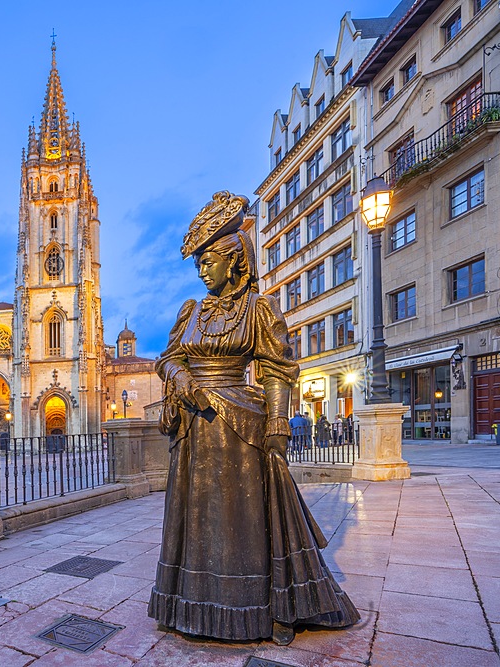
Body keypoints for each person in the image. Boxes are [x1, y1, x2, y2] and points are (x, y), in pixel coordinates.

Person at [150, 191, 358, 646]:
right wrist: (181, 379)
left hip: (238, 427)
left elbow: (278, 369)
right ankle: (187, 603)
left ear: (234, 261)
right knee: (196, 519)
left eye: (209, 262)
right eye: (199, 263)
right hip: (193, 429)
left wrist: (278, 427)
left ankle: (257, 607)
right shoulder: (192, 311)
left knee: (240, 520)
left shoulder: (258, 308)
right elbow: (167, 358)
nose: (203, 270)